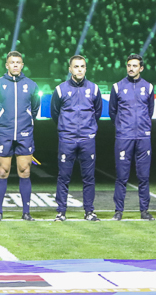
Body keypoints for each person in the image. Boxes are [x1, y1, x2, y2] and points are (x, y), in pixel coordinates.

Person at [0, 50, 39, 221]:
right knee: (3, 171)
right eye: (12, 62)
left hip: (25, 133)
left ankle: (26, 212)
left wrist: (28, 120)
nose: (15, 65)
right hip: (4, 132)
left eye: (18, 62)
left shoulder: (31, 85)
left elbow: (35, 108)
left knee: (24, 171)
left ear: (22, 65)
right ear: (7, 65)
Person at [51, 55, 101, 222]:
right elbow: (55, 113)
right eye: (76, 66)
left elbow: (97, 112)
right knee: (64, 177)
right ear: (70, 69)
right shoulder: (60, 89)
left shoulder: (94, 89)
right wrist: (66, 130)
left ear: (86, 69)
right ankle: (61, 211)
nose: (79, 69)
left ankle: (89, 211)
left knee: (89, 177)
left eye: (82, 66)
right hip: (67, 139)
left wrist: (89, 130)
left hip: (87, 139)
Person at [109, 54, 155, 221]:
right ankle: (118, 211)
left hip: (143, 137)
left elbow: (150, 111)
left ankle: (144, 211)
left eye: (135, 66)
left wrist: (143, 128)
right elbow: (112, 112)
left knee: (144, 176)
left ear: (141, 68)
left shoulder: (148, 87)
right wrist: (122, 128)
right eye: (129, 65)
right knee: (122, 176)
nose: (131, 68)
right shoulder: (117, 87)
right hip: (124, 137)